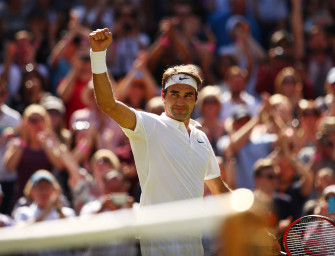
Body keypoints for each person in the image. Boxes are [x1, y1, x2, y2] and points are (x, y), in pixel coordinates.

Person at [89, 28, 231, 256]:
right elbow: (108, 103)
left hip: (194, 245)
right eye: (174, 94)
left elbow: (218, 189)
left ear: (195, 100)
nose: (181, 101)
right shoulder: (148, 125)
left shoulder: (201, 137)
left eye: (188, 95)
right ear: (163, 96)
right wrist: (97, 55)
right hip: (159, 242)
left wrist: (255, 226)